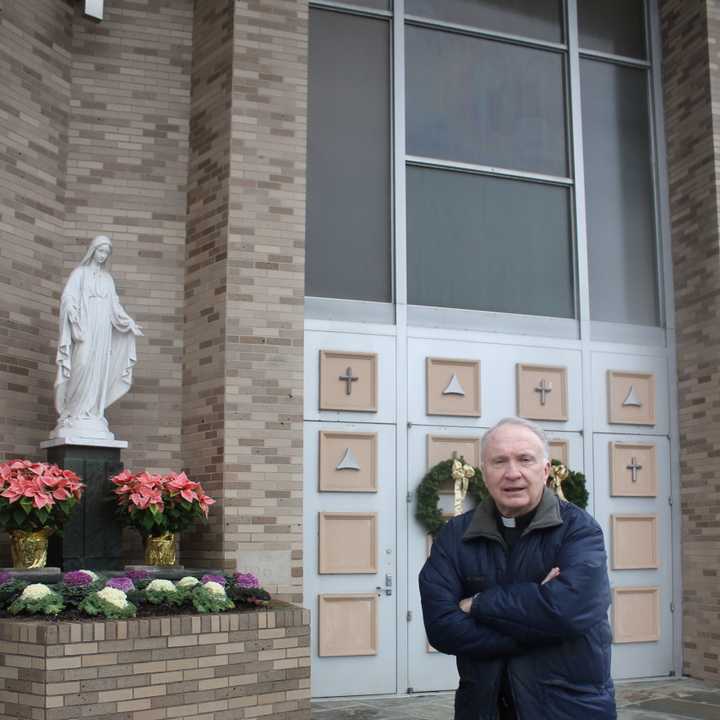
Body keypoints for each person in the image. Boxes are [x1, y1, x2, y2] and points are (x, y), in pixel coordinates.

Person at [419, 417, 616, 719]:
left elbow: (567, 610)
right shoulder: (455, 536)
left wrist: (479, 603)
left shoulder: (578, 530)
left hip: (567, 709)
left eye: (525, 459)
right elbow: (442, 628)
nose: (513, 473)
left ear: (546, 470)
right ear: (484, 474)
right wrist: (540, 617)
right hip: (483, 709)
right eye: (499, 461)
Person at [52, 235, 143, 441]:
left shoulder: (108, 279)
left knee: (98, 368)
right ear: (93, 251)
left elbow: (114, 306)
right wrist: (72, 313)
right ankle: (73, 411)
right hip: (85, 325)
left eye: (106, 253)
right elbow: (68, 296)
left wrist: (128, 322)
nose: (102, 256)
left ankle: (92, 412)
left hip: (102, 329)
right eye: (100, 251)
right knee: (82, 363)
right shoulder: (80, 273)